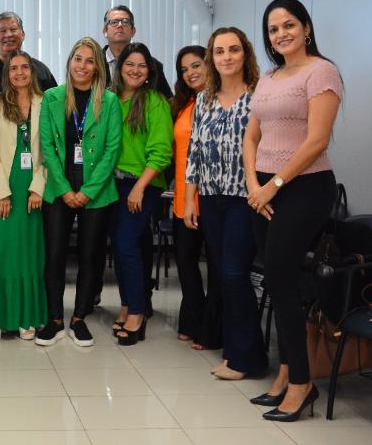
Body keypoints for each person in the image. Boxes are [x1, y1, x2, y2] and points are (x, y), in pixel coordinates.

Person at [245, 0, 342, 421]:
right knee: (275, 281)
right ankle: (286, 373)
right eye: (273, 29)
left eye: (289, 25)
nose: (281, 34)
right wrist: (255, 185)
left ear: (306, 28)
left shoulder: (322, 72)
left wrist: (274, 185)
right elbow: (252, 136)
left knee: (283, 283)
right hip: (265, 189)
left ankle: (302, 384)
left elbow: (317, 140)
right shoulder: (268, 78)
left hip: (304, 188)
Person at [184, 28, 267, 380]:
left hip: (244, 199)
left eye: (233, 49)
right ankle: (237, 353)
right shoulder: (204, 99)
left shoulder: (259, 96)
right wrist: (190, 199)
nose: (227, 57)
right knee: (222, 274)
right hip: (210, 197)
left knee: (234, 274)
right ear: (212, 58)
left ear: (245, 53)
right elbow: (194, 152)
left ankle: (248, 359)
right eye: (219, 51)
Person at [37, 37, 122, 346]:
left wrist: (88, 191)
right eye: (77, 59)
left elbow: (112, 149)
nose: (82, 66)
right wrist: (64, 189)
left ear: (97, 67)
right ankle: (54, 319)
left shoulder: (109, 101)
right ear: (69, 61)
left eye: (89, 61)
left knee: (90, 255)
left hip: (96, 188)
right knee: (54, 254)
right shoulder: (52, 97)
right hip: (59, 186)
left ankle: (79, 318)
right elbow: (47, 146)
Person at [0, 51, 47, 341]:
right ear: (6, 74)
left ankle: (26, 317)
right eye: (13, 68)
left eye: (24, 67)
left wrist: (38, 187)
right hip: (3, 187)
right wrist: (2, 193)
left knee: (27, 255)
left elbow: (50, 151)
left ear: (32, 71)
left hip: (32, 190)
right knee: (1, 253)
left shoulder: (46, 101)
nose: (19, 72)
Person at [109, 42, 172, 346]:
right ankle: (127, 304)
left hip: (142, 184)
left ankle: (137, 311)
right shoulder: (110, 99)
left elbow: (161, 151)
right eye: (129, 64)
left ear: (150, 72)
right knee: (120, 247)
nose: (135, 70)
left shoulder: (155, 102)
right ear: (119, 68)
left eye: (142, 66)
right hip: (112, 184)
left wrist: (139, 187)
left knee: (126, 243)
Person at [169, 45, 222, 352]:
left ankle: (210, 328)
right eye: (184, 69)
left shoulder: (221, 101)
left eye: (196, 65)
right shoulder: (183, 104)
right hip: (183, 197)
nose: (190, 73)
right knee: (185, 263)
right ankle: (194, 319)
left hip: (212, 197)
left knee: (215, 266)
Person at [0, 11, 57, 96]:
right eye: (2, 31)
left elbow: (55, 103)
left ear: (23, 35)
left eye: (13, 29)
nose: (8, 35)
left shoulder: (41, 70)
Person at [100, 6, 173, 99]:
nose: (120, 25)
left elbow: (168, 100)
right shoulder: (93, 62)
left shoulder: (152, 65)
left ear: (133, 31)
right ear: (105, 31)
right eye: (114, 22)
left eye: (125, 22)